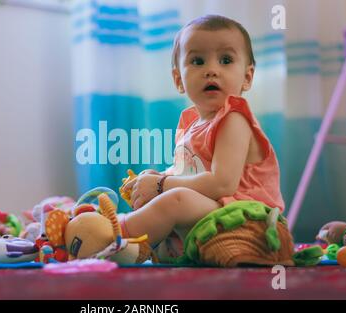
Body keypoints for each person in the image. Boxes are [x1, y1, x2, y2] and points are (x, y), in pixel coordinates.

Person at [119, 15, 285, 261]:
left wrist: (161, 186)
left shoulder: (234, 119)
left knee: (175, 199)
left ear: (247, 77)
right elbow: (189, 175)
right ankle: (137, 246)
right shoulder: (192, 123)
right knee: (167, 200)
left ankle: (113, 237)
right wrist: (158, 177)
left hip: (248, 218)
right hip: (216, 211)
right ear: (179, 80)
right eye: (197, 61)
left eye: (226, 60)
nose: (211, 70)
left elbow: (222, 184)